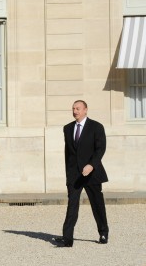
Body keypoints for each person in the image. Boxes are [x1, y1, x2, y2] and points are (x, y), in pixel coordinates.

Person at [55, 100, 109, 247]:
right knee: (72, 205)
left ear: (85, 110)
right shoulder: (67, 128)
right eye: (73, 108)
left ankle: (103, 233)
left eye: (78, 108)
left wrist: (91, 165)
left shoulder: (96, 127)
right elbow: (68, 154)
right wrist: (68, 175)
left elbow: (100, 149)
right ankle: (67, 239)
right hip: (74, 176)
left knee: (97, 204)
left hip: (92, 174)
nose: (75, 111)